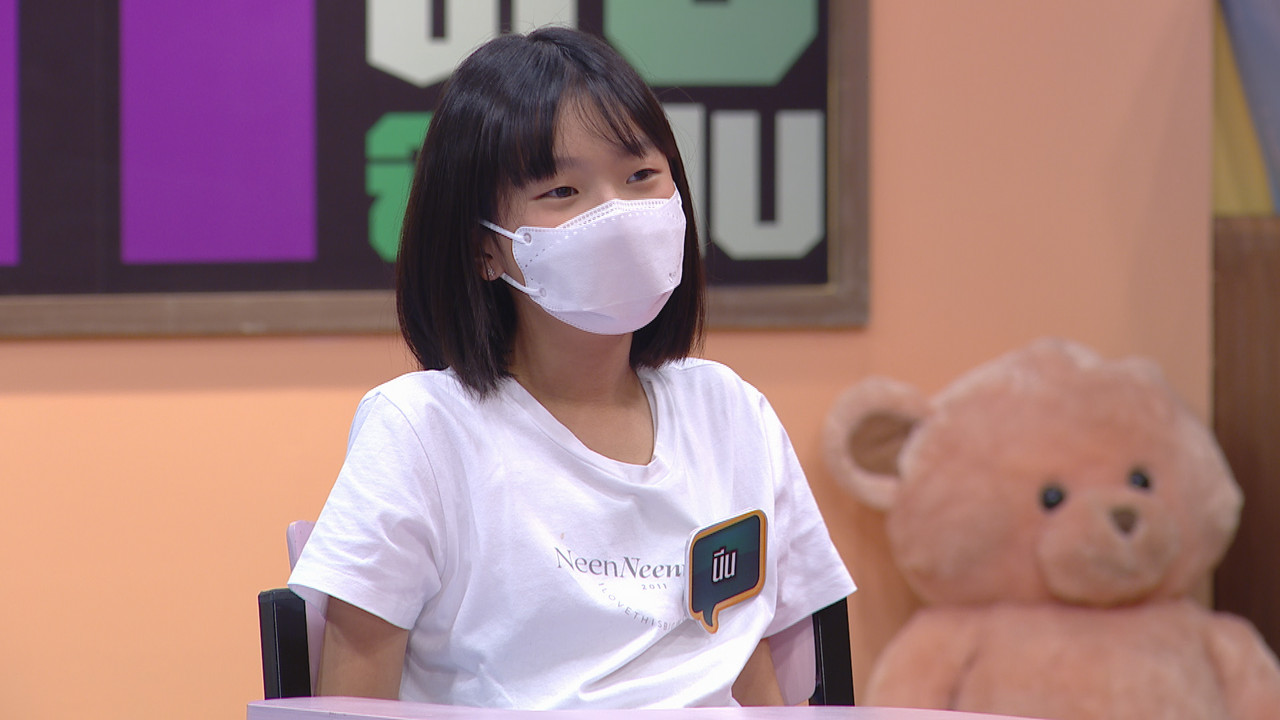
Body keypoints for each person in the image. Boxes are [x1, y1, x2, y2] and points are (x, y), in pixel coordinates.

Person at [288, 26, 855, 709]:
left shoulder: (731, 412)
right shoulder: (423, 429)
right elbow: (353, 699)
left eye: (641, 176)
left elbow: (747, 661)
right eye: (562, 190)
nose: (617, 213)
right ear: (485, 250)